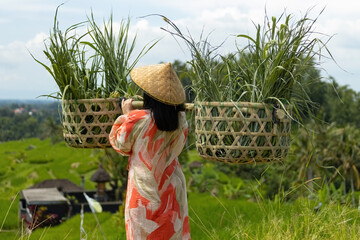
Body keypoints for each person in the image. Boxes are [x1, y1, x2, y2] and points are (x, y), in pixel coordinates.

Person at [109, 62, 191, 240]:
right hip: (173, 186)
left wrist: (126, 114)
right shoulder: (181, 121)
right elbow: (178, 146)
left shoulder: (138, 119)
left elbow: (120, 144)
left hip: (143, 191)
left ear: (149, 96)